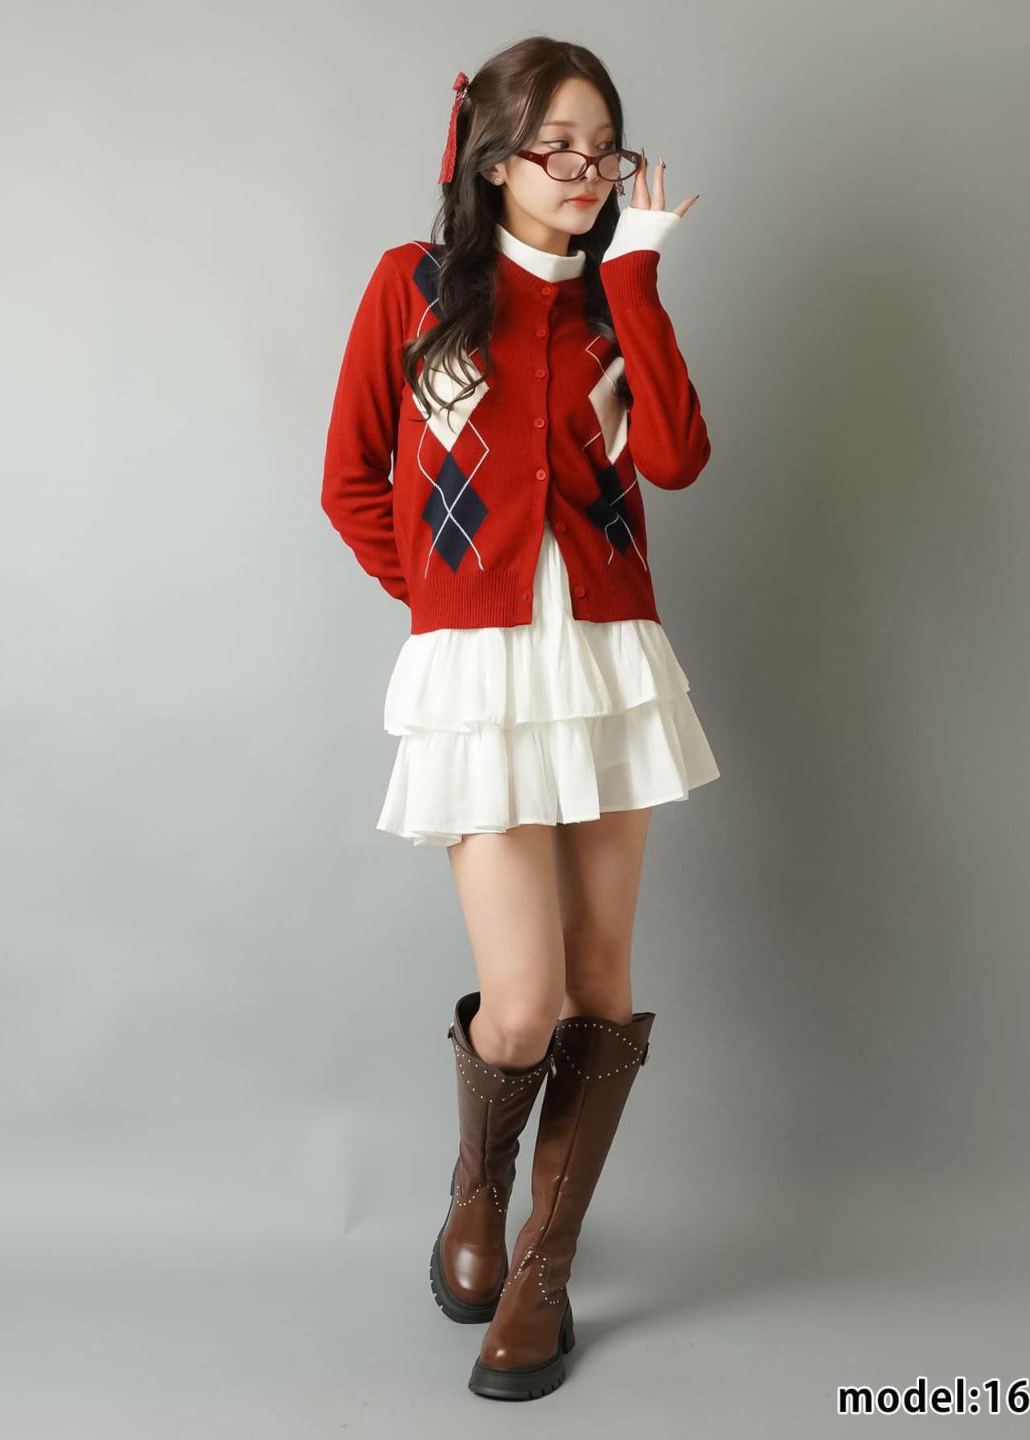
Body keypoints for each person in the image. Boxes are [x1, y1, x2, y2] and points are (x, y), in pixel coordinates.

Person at [321, 36, 720, 1401]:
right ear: (495, 158)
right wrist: (451, 610)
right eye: (559, 145)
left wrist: (639, 274)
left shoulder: (615, 300)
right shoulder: (414, 288)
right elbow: (352, 481)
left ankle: (542, 1273)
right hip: (481, 680)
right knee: (526, 1002)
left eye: (605, 148)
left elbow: (675, 457)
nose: (585, 169)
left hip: (608, 663)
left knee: (601, 991)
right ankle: (477, 1189)